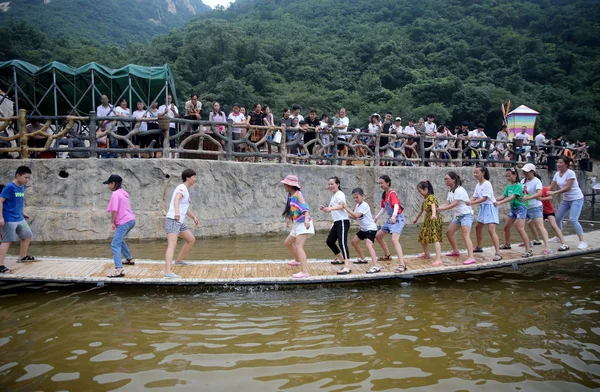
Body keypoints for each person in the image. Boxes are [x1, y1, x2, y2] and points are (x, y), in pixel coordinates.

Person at [164, 169, 200, 278]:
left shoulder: (186, 190)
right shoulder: (181, 188)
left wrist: (193, 217)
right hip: (173, 219)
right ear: (188, 178)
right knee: (172, 244)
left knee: (191, 239)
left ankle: (179, 260)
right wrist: (177, 212)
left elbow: (184, 207)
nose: (195, 179)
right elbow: (176, 200)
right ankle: (167, 272)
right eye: (194, 177)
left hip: (179, 220)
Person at [0, 166, 35, 273]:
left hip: (19, 218)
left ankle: (22, 257)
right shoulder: (10, 187)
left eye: (28, 178)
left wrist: (22, 212)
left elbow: (18, 201)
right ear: (18, 176)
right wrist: (0, 217)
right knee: (7, 241)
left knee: (27, 235)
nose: (27, 180)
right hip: (9, 219)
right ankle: (0, 265)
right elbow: (0, 201)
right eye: (25, 177)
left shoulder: (22, 187)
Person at [547, 155, 587, 249]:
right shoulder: (557, 174)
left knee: (573, 219)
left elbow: (568, 188)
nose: (558, 164)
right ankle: (558, 237)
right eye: (558, 162)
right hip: (566, 200)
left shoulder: (570, 173)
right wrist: (541, 192)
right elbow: (550, 187)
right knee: (557, 218)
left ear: (566, 164)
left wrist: (554, 193)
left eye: (561, 163)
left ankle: (582, 241)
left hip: (576, 199)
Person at [437, 172, 475, 264]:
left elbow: (455, 203)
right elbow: (447, 203)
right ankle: (455, 251)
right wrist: (437, 208)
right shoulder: (450, 190)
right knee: (449, 233)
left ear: (453, 179)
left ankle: (471, 257)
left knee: (465, 235)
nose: (445, 181)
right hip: (459, 216)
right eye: (445, 179)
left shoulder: (459, 190)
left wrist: (441, 210)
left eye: (447, 179)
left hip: (466, 215)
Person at [281, 175, 314, 279]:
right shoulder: (291, 195)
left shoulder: (298, 194)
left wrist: (306, 220)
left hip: (303, 223)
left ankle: (305, 272)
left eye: (286, 184)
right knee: (287, 243)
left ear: (291, 185)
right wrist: (289, 218)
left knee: (299, 246)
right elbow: (294, 209)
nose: (284, 186)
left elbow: (305, 208)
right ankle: (297, 260)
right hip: (297, 223)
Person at [494, 168, 532, 257]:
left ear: (515, 175)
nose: (507, 178)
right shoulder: (508, 186)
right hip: (513, 209)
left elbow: (513, 197)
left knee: (520, 228)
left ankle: (528, 250)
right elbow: (503, 196)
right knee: (506, 227)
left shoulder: (518, 186)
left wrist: (500, 203)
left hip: (520, 208)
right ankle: (507, 244)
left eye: (509, 176)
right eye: (506, 176)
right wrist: (493, 199)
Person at [104, 174, 136, 278]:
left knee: (114, 244)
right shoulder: (124, 193)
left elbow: (114, 210)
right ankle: (129, 259)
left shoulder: (115, 194)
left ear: (113, 183)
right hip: (131, 220)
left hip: (123, 222)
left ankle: (119, 270)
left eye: (109, 184)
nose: (108, 186)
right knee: (119, 239)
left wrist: (112, 222)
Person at [340, 188, 379, 270]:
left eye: (357, 197)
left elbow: (356, 215)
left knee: (368, 245)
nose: (355, 199)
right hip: (364, 229)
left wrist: (346, 208)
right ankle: (362, 258)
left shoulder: (365, 205)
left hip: (371, 229)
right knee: (354, 242)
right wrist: (344, 212)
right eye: (354, 198)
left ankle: (376, 265)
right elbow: (354, 217)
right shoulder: (357, 206)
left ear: (362, 196)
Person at [374, 175, 406, 273]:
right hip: (390, 219)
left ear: (388, 183)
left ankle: (402, 265)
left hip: (397, 218)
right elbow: (384, 208)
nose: (380, 185)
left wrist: (394, 216)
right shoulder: (385, 194)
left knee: (394, 240)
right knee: (378, 236)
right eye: (379, 183)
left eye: (382, 183)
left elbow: (396, 205)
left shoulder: (392, 193)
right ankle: (387, 255)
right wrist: (376, 217)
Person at [469, 166, 502, 261]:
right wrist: (466, 202)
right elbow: (474, 197)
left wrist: (471, 203)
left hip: (490, 207)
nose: (475, 174)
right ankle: (479, 247)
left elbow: (485, 198)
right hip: (483, 207)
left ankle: (498, 253)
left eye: (477, 173)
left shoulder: (487, 184)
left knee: (491, 230)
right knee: (478, 227)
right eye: (474, 173)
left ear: (483, 173)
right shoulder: (478, 185)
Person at [320, 176, 351, 275]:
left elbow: (342, 206)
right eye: (329, 184)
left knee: (342, 243)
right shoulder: (334, 196)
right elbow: (332, 208)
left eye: (332, 184)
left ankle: (347, 266)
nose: (330, 186)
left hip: (342, 221)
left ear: (337, 184)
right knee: (330, 241)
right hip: (337, 222)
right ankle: (341, 259)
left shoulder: (340, 194)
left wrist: (330, 209)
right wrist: (325, 209)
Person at [519, 163, 553, 255]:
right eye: (524, 171)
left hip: (535, 206)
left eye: (527, 172)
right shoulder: (523, 181)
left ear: (532, 172)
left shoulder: (536, 181)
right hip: (525, 206)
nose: (525, 173)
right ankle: (535, 240)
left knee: (540, 226)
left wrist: (528, 198)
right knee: (524, 224)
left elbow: (539, 193)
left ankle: (547, 247)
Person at [413, 180, 443, 266]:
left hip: (434, 219)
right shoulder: (425, 199)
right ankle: (427, 254)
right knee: (422, 236)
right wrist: (416, 219)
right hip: (427, 220)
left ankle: (438, 259)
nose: (420, 193)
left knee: (435, 238)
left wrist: (433, 214)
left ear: (426, 189)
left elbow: (433, 206)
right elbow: (421, 210)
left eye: (420, 191)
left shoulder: (431, 197)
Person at [540, 185, 569, 251]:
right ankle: (537, 240)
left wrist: (540, 199)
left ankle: (564, 243)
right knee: (531, 223)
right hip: (539, 211)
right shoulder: (531, 190)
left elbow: (550, 197)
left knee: (554, 225)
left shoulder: (544, 189)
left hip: (548, 211)